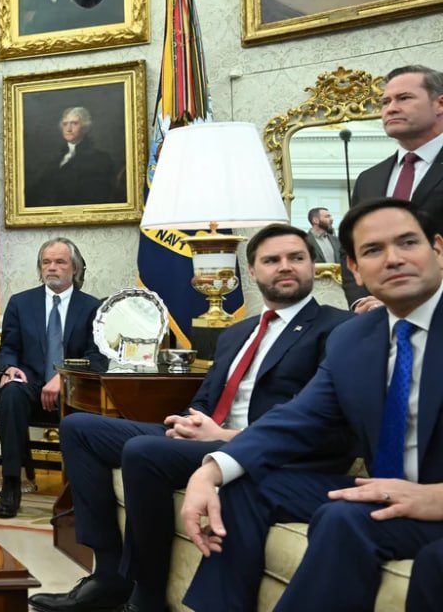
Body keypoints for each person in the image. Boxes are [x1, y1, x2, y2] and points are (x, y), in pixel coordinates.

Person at [27, 224, 351, 612]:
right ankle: (108, 576)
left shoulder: (337, 328)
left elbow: (317, 417)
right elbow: (204, 399)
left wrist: (224, 435)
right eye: (272, 260)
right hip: (207, 437)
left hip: (259, 450)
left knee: (143, 451)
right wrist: (185, 423)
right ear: (251, 271)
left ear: (312, 265)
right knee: (79, 428)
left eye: (296, 258)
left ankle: (146, 599)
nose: (285, 266)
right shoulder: (239, 332)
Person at [180, 198, 443, 612]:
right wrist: (210, 470)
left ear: (438, 249)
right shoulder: (354, 338)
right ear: (354, 269)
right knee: (247, 484)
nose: (393, 259)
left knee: (344, 519)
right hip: (382, 492)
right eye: (373, 250)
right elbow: (296, 419)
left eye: (408, 243)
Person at [0, 238, 106, 517]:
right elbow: (8, 348)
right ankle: (11, 483)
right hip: (31, 383)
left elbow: (97, 358)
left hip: (73, 389)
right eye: (46, 262)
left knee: (90, 408)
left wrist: (64, 376)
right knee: (11, 392)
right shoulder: (21, 303)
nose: (52, 267)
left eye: (60, 262)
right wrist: (9, 368)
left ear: (74, 268)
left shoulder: (92, 307)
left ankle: (79, 489)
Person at [344, 65, 443, 309]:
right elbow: (351, 246)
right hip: (379, 319)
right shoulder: (369, 179)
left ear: (440, 104)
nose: (391, 108)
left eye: (404, 98)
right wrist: (361, 302)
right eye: (385, 102)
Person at [28, 107, 119, 207]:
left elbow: (96, 197)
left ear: (85, 127)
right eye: (65, 124)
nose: (68, 129)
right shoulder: (55, 159)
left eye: (74, 123)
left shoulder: (100, 159)